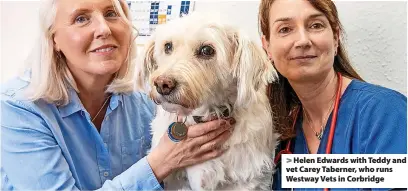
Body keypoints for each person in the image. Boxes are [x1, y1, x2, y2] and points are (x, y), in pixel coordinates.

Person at [1, 0, 234, 190]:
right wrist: (158, 164)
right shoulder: (18, 109)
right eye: (81, 18)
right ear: (54, 39)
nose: (103, 29)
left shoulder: (145, 101)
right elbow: (162, 165)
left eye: (111, 13)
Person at [258, 0, 407, 190]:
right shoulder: (281, 138)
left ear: (336, 38)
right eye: (285, 29)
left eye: (316, 25)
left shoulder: (384, 113)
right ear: (267, 47)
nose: (303, 40)